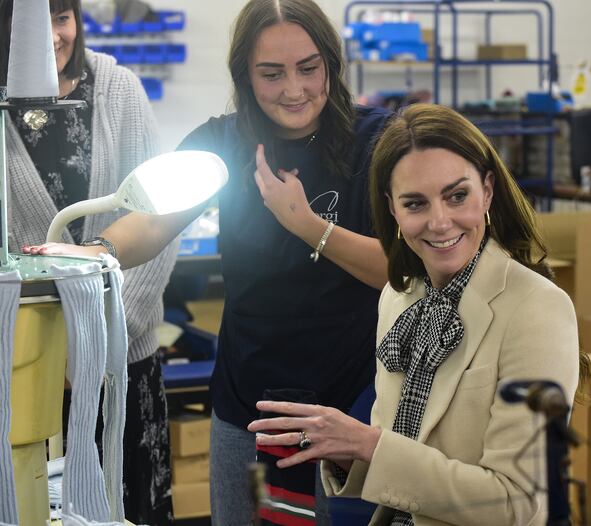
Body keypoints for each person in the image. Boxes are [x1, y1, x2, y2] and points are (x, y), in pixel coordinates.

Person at [26, 0, 393, 523]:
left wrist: (310, 226)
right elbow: (152, 220)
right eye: (271, 74)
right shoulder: (223, 142)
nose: (294, 90)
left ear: (331, 64)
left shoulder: (377, 143)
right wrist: (96, 253)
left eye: (309, 69)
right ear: (244, 75)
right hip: (248, 406)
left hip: (354, 405)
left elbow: (405, 270)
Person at [247, 103, 581, 526]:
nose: (440, 222)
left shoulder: (536, 308)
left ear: (488, 191)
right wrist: (346, 453)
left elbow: (517, 503)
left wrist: (368, 445)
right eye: (415, 203)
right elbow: (402, 462)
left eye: (457, 196)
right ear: (392, 209)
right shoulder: (397, 299)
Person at [1, 0, 177, 523]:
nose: (53, 37)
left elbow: (157, 221)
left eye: (62, 18)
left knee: (129, 506)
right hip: (26, 370)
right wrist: (51, 343)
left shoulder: (118, 89)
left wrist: (99, 337)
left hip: (120, 368)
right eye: (28, 23)